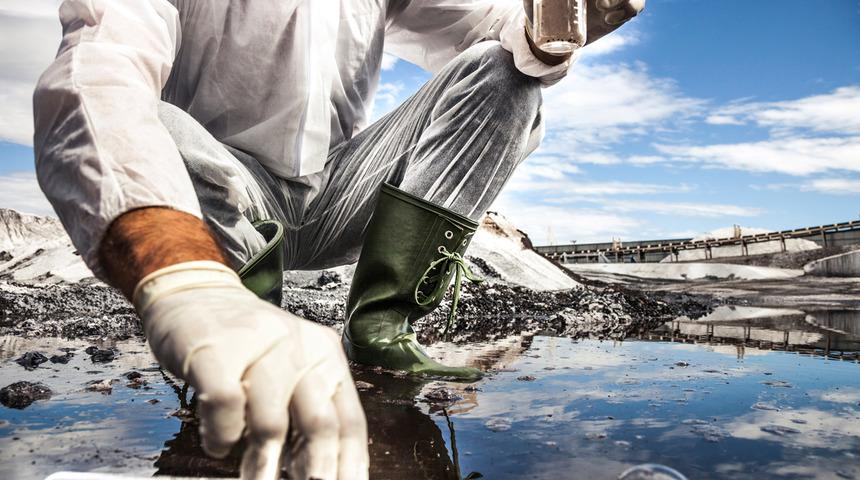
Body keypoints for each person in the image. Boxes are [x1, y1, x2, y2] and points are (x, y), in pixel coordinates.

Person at [32, 0, 643, 477]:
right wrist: (184, 284)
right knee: (157, 118)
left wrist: (547, 29)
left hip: (337, 193)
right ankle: (242, 328)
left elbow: (488, 27)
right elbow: (97, 72)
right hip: (228, 195)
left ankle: (381, 327)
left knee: (503, 69)